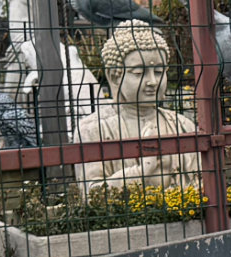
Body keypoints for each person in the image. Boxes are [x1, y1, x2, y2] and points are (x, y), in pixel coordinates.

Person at [71, 23, 201, 191]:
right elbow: (92, 195)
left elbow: (204, 182)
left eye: (159, 72)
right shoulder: (92, 130)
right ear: (114, 77)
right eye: (139, 73)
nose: (152, 82)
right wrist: (141, 171)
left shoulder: (183, 125)